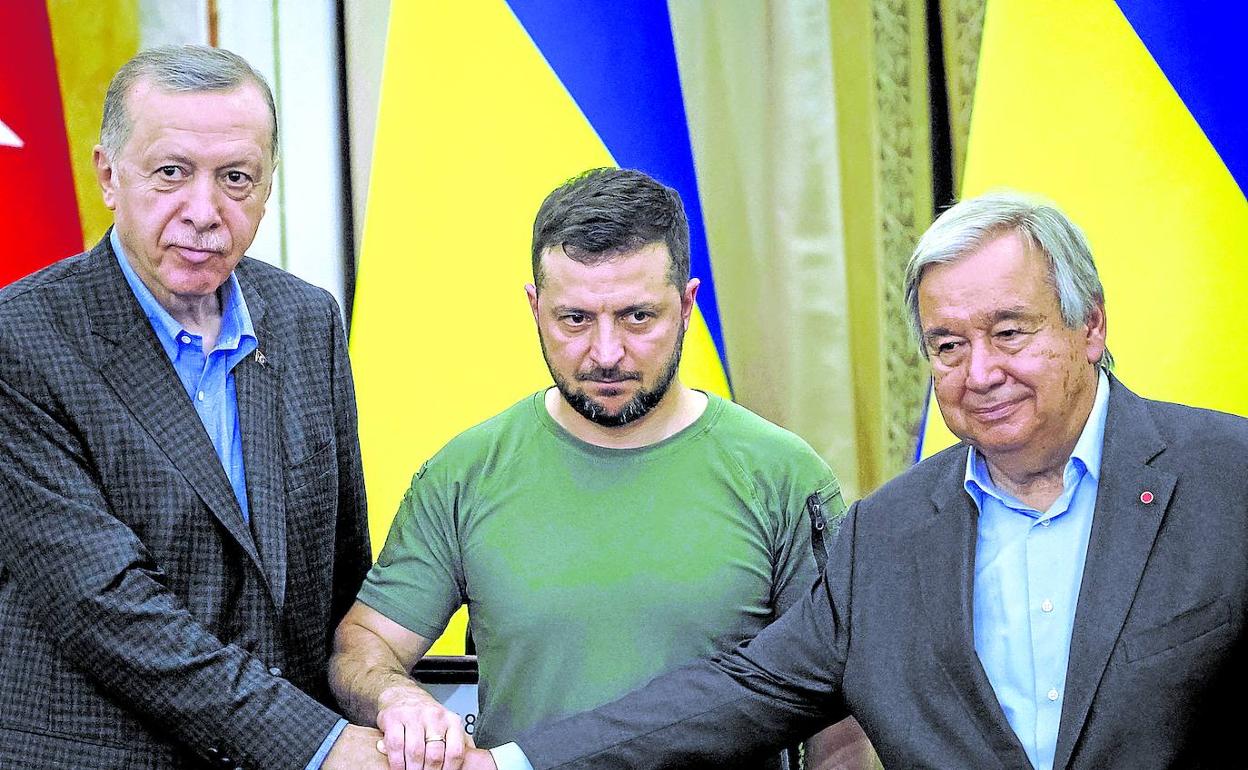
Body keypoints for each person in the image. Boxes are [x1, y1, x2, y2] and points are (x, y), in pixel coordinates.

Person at [462, 190, 1248, 769]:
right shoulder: (887, 535)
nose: (980, 373)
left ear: (1091, 326)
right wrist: (508, 765)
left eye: (1009, 333)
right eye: (947, 346)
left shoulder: (1228, 478)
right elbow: (734, 695)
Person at [329, 168, 873, 770]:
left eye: (638, 317)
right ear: (535, 308)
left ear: (687, 306)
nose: (607, 353)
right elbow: (365, 644)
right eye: (575, 319)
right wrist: (397, 697)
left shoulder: (784, 477)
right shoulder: (465, 473)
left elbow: (839, 715)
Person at [0, 46, 386, 768]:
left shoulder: (307, 320)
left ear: (267, 187)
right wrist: (316, 744)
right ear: (109, 176)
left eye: (236, 178)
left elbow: (342, 570)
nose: (204, 212)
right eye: (172, 172)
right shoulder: (20, 338)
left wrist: (383, 693)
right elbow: (104, 606)